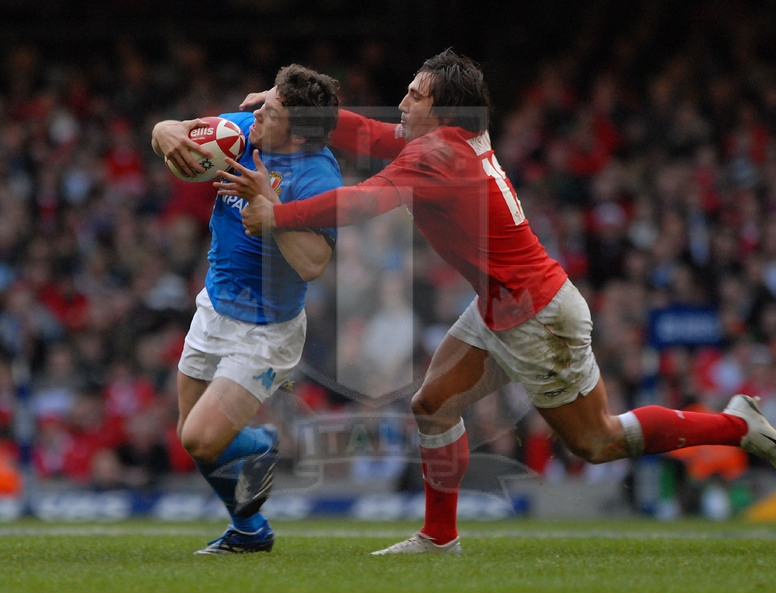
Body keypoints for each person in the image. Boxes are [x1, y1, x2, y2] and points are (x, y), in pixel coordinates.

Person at [232, 49, 776, 555]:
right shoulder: (446, 142)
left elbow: (360, 202)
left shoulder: (440, 154)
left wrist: (277, 214)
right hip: (503, 303)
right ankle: (440, 538)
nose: (402, 103)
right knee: (432, 405)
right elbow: (373, 134)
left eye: (415, 96)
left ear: (443, 109)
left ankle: (737, 425)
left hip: (539, 317)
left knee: (598, 440)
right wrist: (292, 111)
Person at [151, 64, 342, 554]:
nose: (257, 112)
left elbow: (316, 263)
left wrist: (273, 209)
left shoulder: (317, 177)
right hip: (213, 309)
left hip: (266, 332)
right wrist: (165, 132)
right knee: (193, 436)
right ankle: (250, 531)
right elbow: (169, 132)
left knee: (201, 438)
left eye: (271, 110)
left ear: (297, 134)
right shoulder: (241, 133)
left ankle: (259, 446)